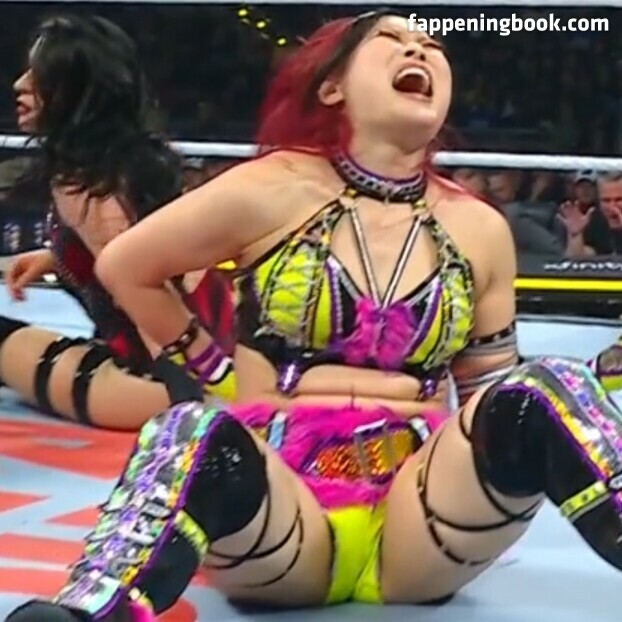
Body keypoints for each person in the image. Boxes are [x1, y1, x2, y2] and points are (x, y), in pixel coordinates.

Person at [7, 11, 622, 622]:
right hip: (281, 501)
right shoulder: (271, 187)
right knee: (190, 430)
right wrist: (212, 367)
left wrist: (543, 416)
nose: (419, 50)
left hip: (422, 518)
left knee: (549, 385)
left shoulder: (479, 227)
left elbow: (491, 390)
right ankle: (88, 610)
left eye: (431, 43)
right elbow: (126, 265)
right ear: (332, 86)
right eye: (391, 40)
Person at [0, 14, 235, 430]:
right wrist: (56, 256)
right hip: (207, 362)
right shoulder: (119, 166)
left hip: (158, 383)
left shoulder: (89, 187)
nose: (20, 84)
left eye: (39, 76)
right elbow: (141, 251)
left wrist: (190, 403)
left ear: (74, 93)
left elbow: (149, 295)